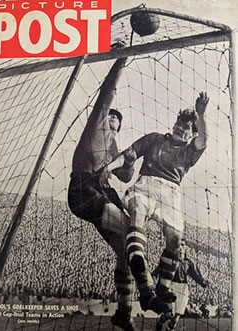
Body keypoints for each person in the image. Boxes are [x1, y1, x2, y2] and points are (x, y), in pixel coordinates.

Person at [68, 57, 167, 331]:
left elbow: (125, 176)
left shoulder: (113, 150)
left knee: (124, 251)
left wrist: (130, 160)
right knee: (128, 229)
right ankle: (147, 291)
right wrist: (121, 62)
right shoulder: (95, 130)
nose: (113, 119)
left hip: (103, 193)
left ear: (119, 129)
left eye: (117, 120)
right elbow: (106, 94)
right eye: (111, 116)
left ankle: (123, 313)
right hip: (83, 188)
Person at [99, 92, 209, 310]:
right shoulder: (155, 139)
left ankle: (162, 288)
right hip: (146, 185)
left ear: (191, 134)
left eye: (187, 127)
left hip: (171, 194)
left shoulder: (189, 152)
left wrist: (201, 114)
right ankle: (139, 263)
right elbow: (129, 154)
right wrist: (108, 168)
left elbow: (204, 139)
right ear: (175, 123)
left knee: (176, 240)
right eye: (179, 123)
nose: (181, 128)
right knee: (137, 213)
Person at [154, 240, 209, 331]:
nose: (181, 247)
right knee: (169, 313)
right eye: (179, 245)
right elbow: (161, 268)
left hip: (183, 288)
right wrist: (155, 273)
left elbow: (196, 275)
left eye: (182, 245)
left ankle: (169, 329)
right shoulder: (170, 260)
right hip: (171, 286)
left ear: (185, 247)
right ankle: (161, 322)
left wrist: (203, 282)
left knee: (177, 316)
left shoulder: (189, 262)